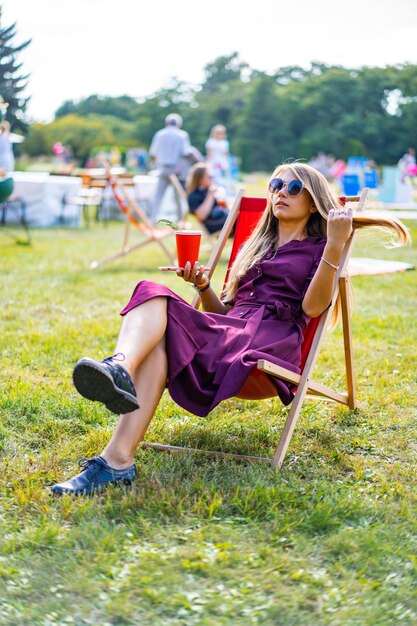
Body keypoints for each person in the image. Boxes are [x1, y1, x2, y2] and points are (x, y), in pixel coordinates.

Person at [51, 162, 409, 495]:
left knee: (158, 312)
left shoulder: (320, 248)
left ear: (314, 203)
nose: (281, 191)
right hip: (229, 332)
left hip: (267, 344)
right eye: (276, 184)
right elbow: (226, 312)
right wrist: (204, 288)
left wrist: (335, 243)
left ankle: (118, 383)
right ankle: (116, 448)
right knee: (151, 293)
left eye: (294, 187)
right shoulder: (259, 246)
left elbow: (313, 308)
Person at [149, 113, 191, 223]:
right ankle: (181, 221)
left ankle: (153, 220)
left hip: (163, 168)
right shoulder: (182, 135)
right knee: (177, 197)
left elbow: (153, 153)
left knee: (158, 196)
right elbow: (186, 154)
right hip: (175, 170)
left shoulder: (160, 134)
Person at [186, 162, 230, 234]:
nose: (211, 178)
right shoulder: (193, 195)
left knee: (242, 216)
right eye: (209, 176)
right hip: (213, 224)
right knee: (242, 220)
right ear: (200, 179)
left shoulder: (208, 190)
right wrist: (210, 195)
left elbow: (223, 207)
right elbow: (201, 216)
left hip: (223, 219)